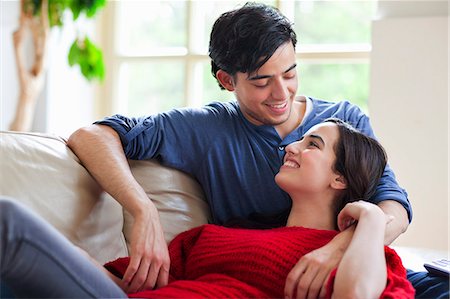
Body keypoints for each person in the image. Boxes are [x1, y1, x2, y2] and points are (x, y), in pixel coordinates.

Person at [66, 2, 447, 298]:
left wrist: (337, 249)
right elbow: (92, 135)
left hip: (354, 265)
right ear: (227, 80)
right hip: (261, 276)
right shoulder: (205, 129)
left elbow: (392, 205)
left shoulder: (342, 121)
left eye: (290, 73)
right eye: (263, 81)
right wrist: (141, 208)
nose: (281, 94)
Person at [1, 119, 415, 298]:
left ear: (340, 180)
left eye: (312, 145)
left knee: (7, 221)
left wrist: (372, 217)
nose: (291, 146)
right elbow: (123, 282)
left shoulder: (371, 257)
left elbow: (357, 295)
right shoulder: (212, 236)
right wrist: (67, 255)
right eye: (299, 140)